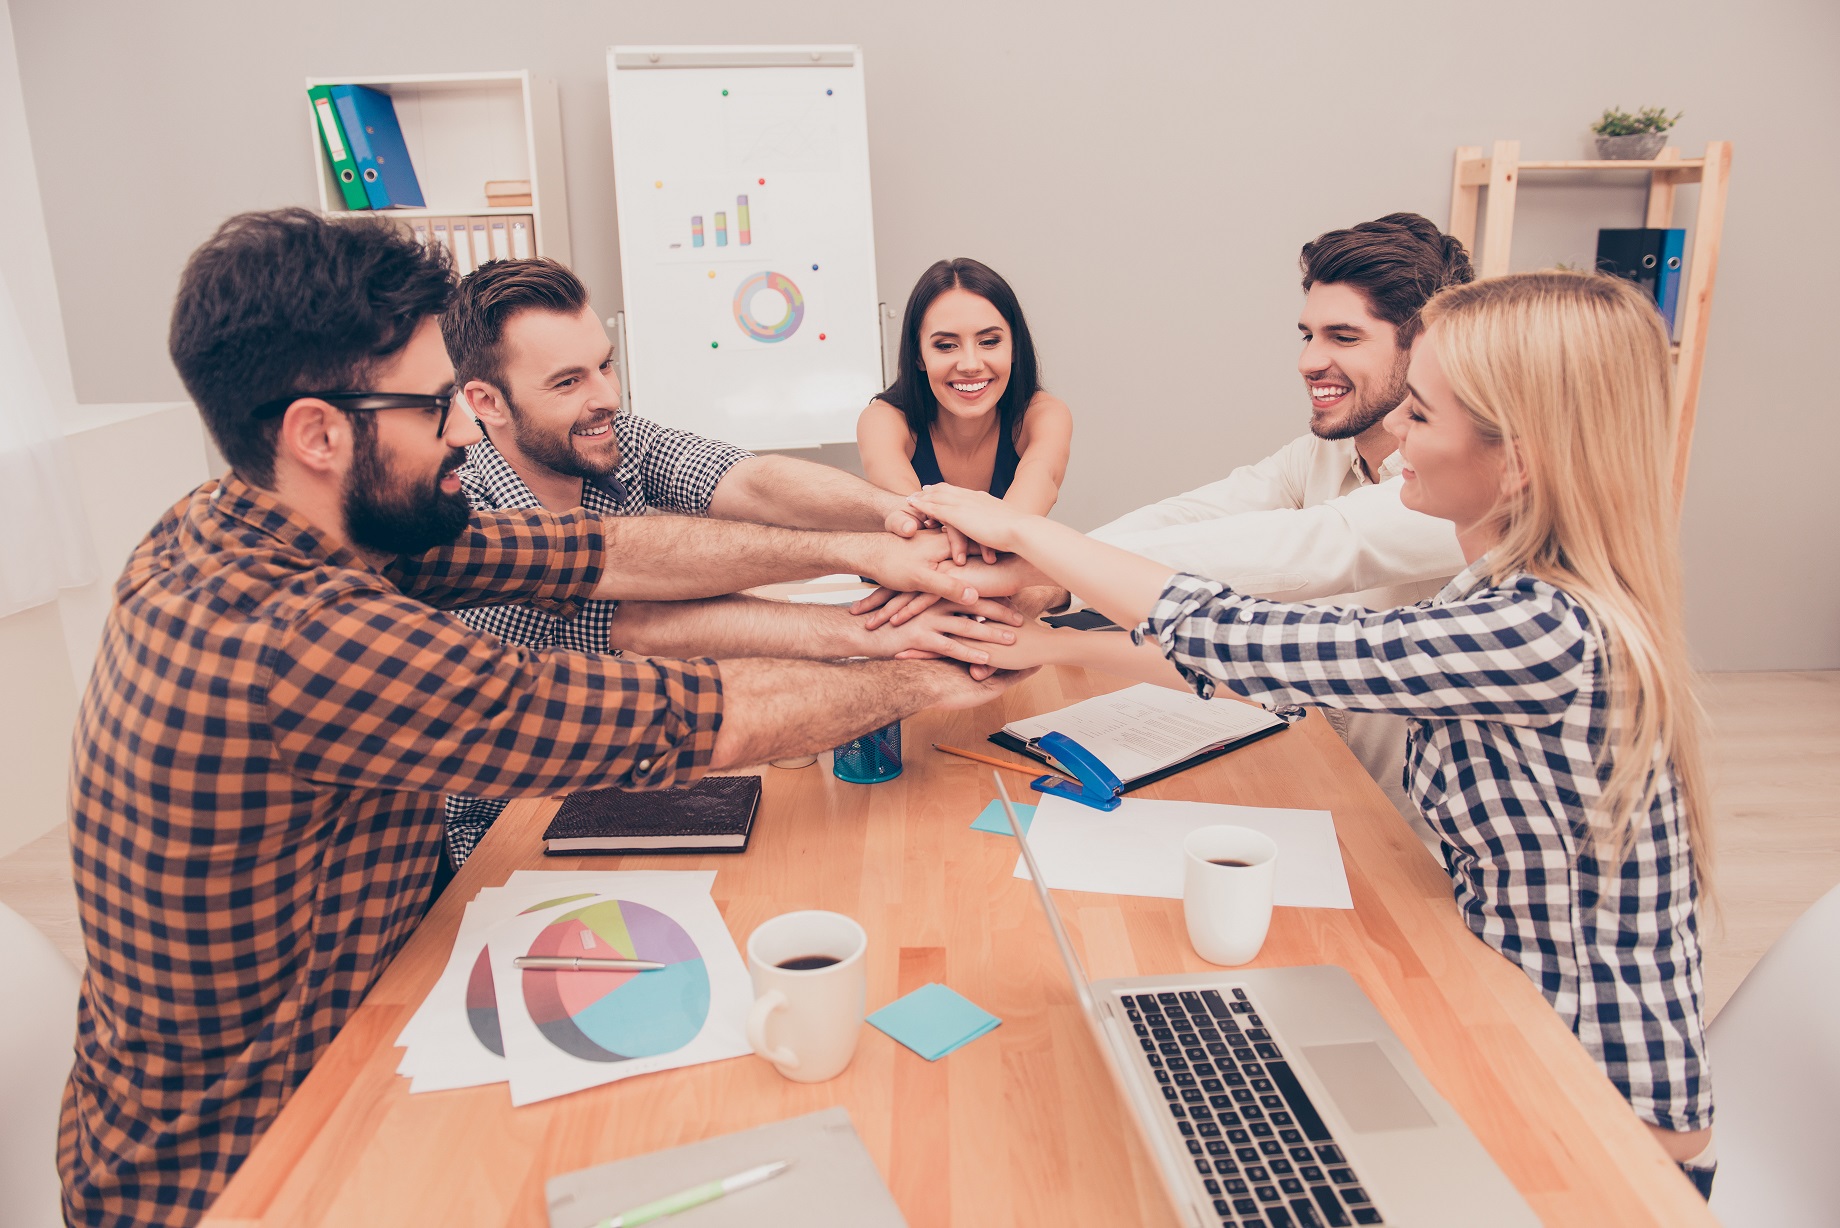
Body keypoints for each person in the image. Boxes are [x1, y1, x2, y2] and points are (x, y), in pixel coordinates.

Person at [58, 209, 1026, 1227]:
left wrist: (864, 553)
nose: (468, 432)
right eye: (437, 406)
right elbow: (666, 716)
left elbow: (597, 556)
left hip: (362, 1020)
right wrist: (927, 667)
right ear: (317, 432)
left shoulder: (252, 522)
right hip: (250, 1167)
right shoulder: (292, 639)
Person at [911, 270, 1718, 1194]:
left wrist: (1022, 535)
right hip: (1497, 1004)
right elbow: (1291, 669)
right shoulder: (1498, 594)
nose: (1395, 444)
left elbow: (1255, 637)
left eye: (1418, 416)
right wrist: (1053, 645)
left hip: (1600, 1120)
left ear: (1520, 458)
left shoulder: (1546, 631)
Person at [878, 216, 1474, 834]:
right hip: (1338, 795)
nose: (1308, 360)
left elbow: (1310, 548)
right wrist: (1048, 580)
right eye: (1307, 335)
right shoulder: (1325, 453)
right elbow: (1201, 514)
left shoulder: (1456, 485)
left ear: (1425, 343)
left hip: (1423, 840)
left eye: (1343, 337)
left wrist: (1037, 559)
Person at [438, 258, 1026, 863]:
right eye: (568, 383)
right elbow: (634, 622)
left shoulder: (613, 439)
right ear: (488, 401)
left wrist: (896, 515)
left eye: (605, 365)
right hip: (513, 828)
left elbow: (751, 482)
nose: (607, 397)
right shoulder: (463, 528)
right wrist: (879, 616)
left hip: (649, 781)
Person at [857, 257, 1071, 514]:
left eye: (989, 341)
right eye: (946, 345)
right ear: (918, 356)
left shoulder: (1044, 416)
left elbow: (1019, 522)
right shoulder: (883, 420)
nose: (970, 365)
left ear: (1014, 347)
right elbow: (912, 521)